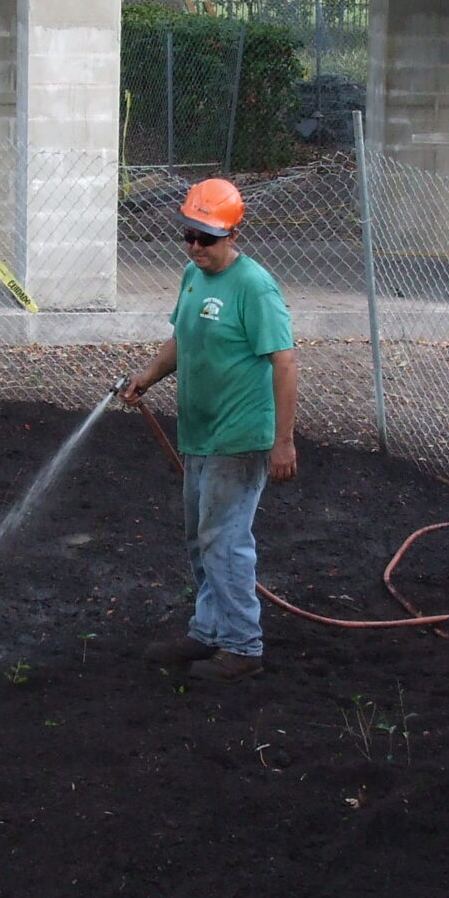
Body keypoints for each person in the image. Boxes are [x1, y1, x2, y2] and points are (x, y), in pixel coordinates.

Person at [121, 177, 298, 682]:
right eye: (189, 235)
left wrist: (283, 441)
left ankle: (243, 647)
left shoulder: (255, 287)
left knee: (224, 540)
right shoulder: (192, 276)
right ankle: (208, 632)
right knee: (200, 539)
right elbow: (182, 338)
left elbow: (284, 364)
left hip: (239, 438)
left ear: (232, 234)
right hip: (198, 433)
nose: (195, 246)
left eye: (206, 238)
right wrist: (146, 378)